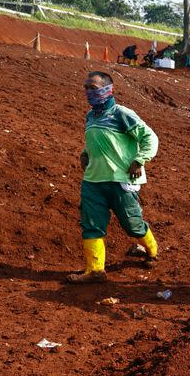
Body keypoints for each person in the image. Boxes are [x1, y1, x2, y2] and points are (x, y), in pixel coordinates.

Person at [68, 71, 159, 283]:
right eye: (86, 87)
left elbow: (150, 137)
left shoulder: (122, 114)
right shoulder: (91, 116)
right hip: (93, 180)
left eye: (93, 87)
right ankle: (95, 271)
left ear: (109, 90)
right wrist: (85, 154)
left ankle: (152, 250)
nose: (88, 91)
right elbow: (96, 141)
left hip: (121, 179)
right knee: (91, 224)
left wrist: (140, 160)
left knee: (132, 226)